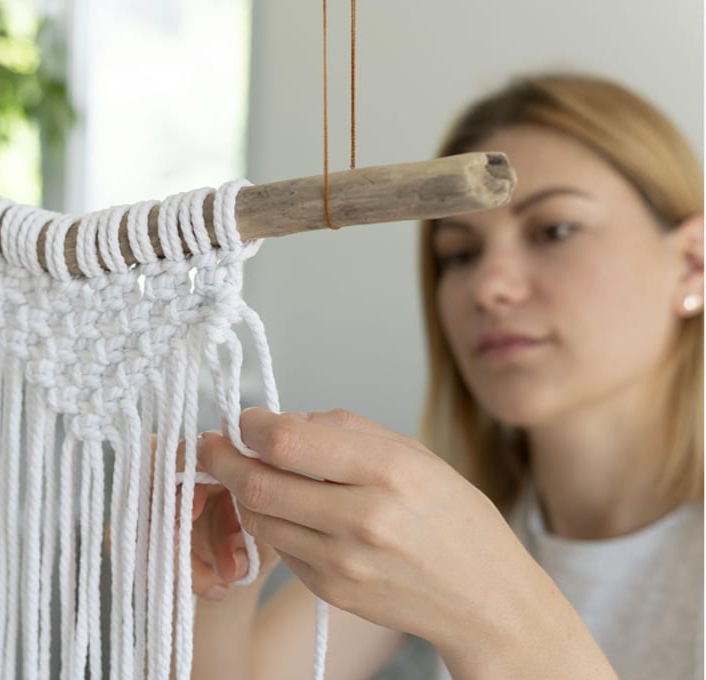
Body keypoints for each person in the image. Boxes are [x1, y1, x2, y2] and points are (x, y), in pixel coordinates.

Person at [187, 73, 704, 679]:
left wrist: (492, 607)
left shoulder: (459, 543)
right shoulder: (444, 519)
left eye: (554, 230)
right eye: (459, 254)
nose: (488, 287)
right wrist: (215, 587)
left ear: (692, 264)